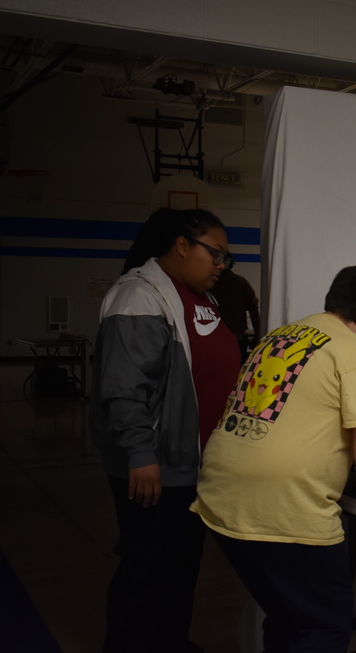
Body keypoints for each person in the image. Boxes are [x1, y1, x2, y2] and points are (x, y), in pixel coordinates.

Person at [191, 260, 356, 653]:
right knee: (323, 628)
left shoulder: (280, 337)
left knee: (287, 617)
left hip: (220, 501)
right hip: (283, 510)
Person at [90, 207, 241, 653]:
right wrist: (141, 453)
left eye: (225, 258)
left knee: (180, 566)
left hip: (193, 467)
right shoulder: (139, 295)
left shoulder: (201, 297)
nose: (221, 265)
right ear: (181, 245)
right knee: (147, 569)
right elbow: (123, 387)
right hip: (156, 466)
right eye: (215, 254)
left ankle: (170, 642)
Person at [210, 267, 261, 360]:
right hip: (238, 336)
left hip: (214, 338)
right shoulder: (240, 282)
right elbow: (254, 310)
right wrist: (257, 335)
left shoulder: (210, 283)